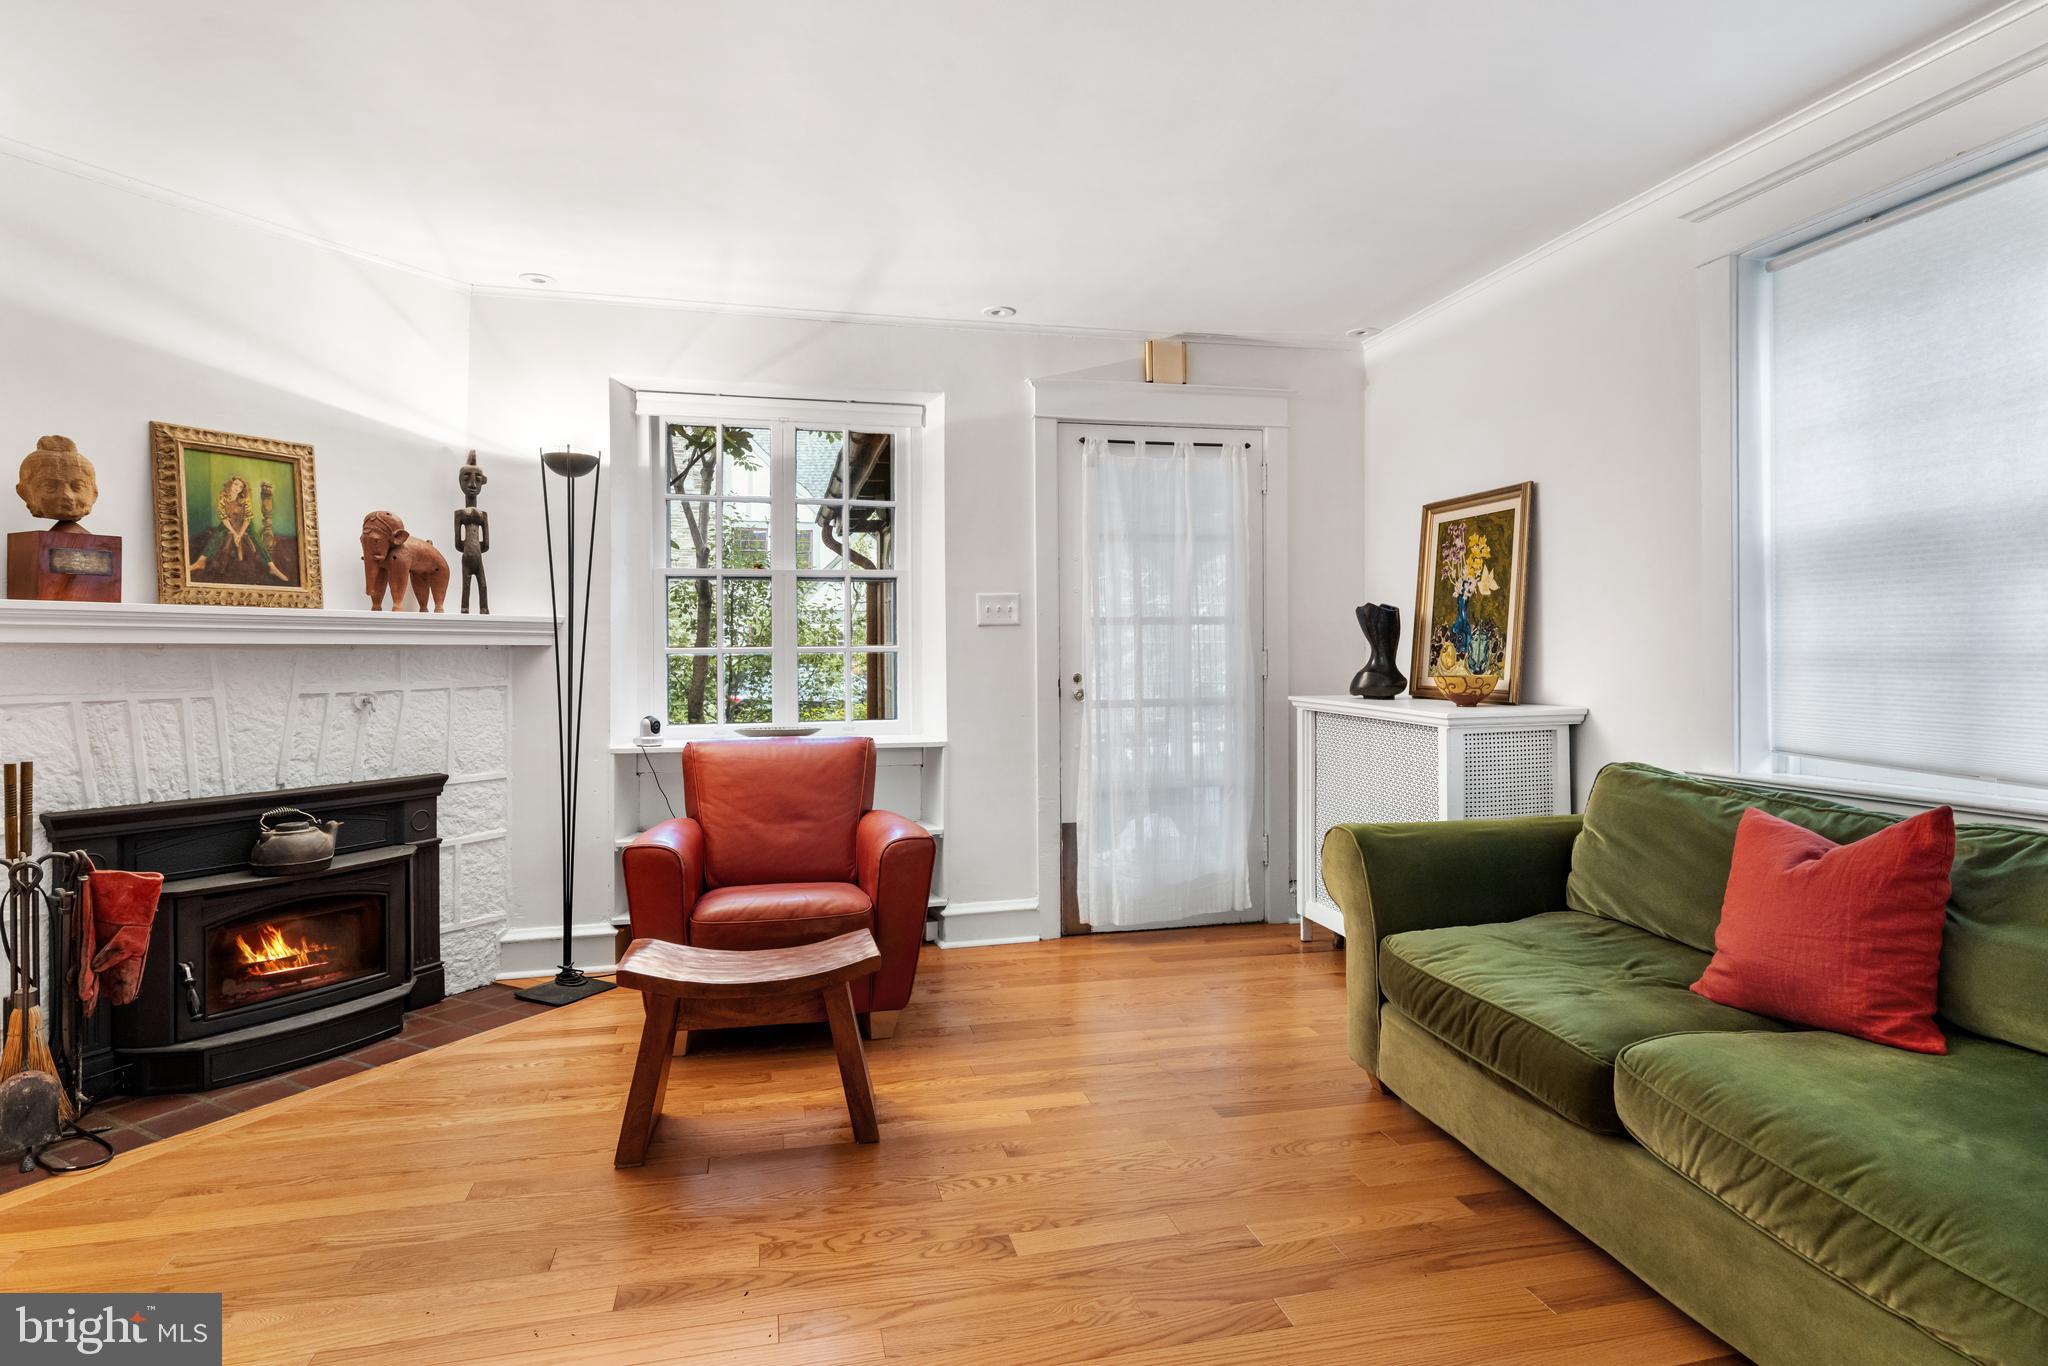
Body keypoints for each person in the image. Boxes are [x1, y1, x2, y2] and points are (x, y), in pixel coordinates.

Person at [189, 475, 289, 583]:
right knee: (217, 535)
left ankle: (272, 567)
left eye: (240, 486)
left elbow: (248, 518)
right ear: (231, 484)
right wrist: (233, 532)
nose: (237, 487)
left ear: (242, 489)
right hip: (230, 522)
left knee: (256, 538)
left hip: (245, 523)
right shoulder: (222, 497)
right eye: (236, 484)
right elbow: (223, 517)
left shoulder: (245, 499)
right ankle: (201, 561)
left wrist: (240, 534)